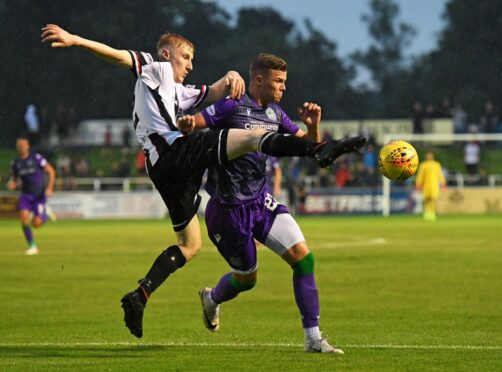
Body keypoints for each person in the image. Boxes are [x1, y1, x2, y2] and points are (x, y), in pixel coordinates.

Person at [41, 24, 366, 339]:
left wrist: (229, 78)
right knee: (253, 138)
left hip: (165, 172)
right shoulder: (156, 69)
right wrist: (76, 40)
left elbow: (211, 92)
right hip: (177, 153)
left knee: (189, 245)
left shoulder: (178, 92)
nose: (190, 64)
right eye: (186, 57)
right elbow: (119, 56)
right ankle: (319, 151)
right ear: (167, 54)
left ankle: (141, 294)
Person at [181, 53, 348, 353]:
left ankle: (312, 339)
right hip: (228, 211)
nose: (283, 87)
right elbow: (197, 121)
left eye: (285, 81)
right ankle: (212, 299)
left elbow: (310, 148)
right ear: (258, 80)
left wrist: (313, 127)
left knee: (304, 259)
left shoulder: (276, 113)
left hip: (261, 202)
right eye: (279, 81)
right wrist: (186, 122)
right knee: (247, 280)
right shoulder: (233, 105)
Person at [6, 136, 56, 255]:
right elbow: (14, 178)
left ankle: (45, 214)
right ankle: (32, 246)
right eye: (19, 145)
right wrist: (12, 183)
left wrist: (49, 188)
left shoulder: (36, 158)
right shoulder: (16, 162)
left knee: (36, 224)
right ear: (17, 147)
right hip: (25, 194)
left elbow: (51, 171)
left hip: (38, 195)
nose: (22, 147)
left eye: (23, 145)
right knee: (23, 217)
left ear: (28, 146)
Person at [415, 152, 446, 221]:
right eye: (428, 156)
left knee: (433, 199)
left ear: (432, 157)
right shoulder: (423, 165)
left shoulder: (437, 165)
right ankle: (427, 213)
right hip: (426, 185)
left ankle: (432, 213)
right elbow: (420, 175)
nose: (429, 157)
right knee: (426, 199)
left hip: (434, 184)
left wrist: (443, 183)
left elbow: (440, 174)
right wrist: (418, 184)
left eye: (430, 156)